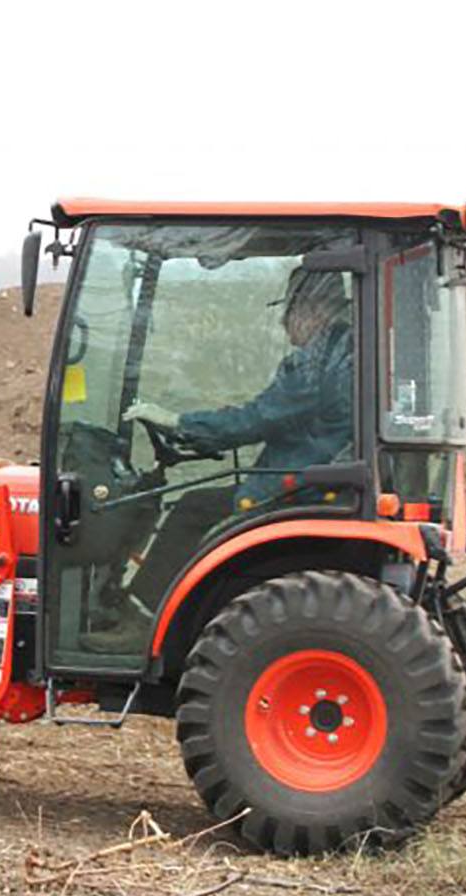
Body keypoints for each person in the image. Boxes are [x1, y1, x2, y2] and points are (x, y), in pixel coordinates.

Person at [87, 269, 357, 649]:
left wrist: (179, 422)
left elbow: (258, 417)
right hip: (316, 479)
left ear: (311, 309)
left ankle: (141, 623)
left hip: (302, 488)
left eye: (288, 310)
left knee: (192, 509)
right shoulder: (345, 351)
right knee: (201, 503)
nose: (283, 323)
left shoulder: (319, 360)